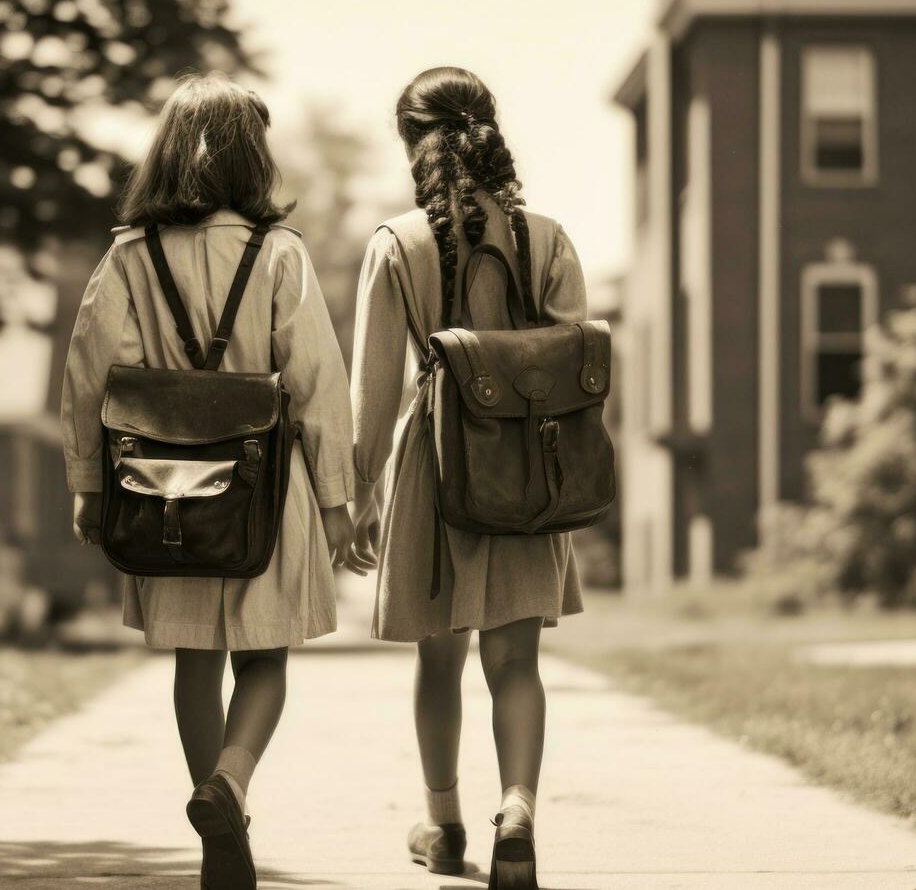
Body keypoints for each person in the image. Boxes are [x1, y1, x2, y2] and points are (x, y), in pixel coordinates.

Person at [59, 72, 362, 890]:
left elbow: (90, 374)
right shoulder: (280, 255)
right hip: (267, 493)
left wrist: (89, 483)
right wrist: (338, 502)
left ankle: (209, 819)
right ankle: (230, 782)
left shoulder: (127, 256)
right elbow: (317, 383)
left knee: (195, 659)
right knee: (264, 659)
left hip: (163, 491)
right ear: (249, 159)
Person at [348, 67, 587, 890]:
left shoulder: (395, 244)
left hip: (434, 471)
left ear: (414, 143)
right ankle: (517, 811)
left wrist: (354, 496)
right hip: (529, 468)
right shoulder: (548, 239)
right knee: (516, 664)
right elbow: (574, 363)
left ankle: (444, 825)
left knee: (438, 661)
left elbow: (372, 392)